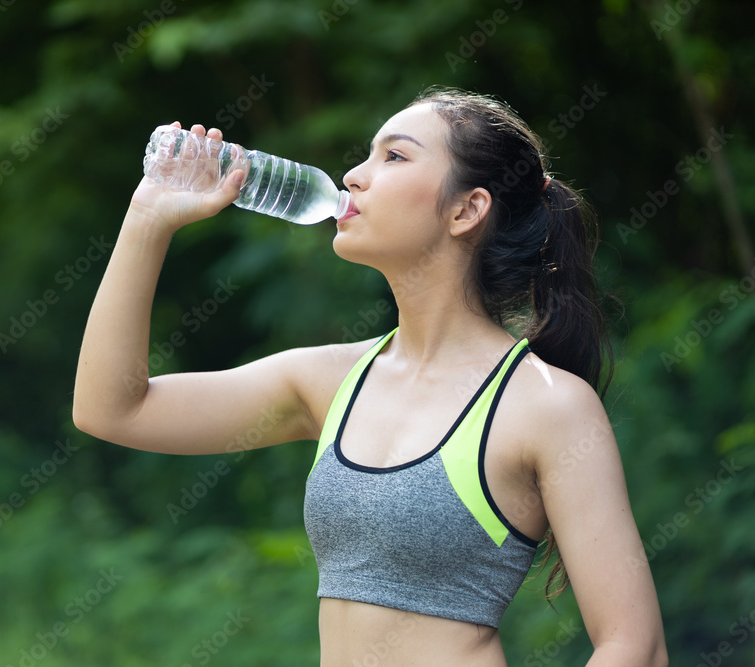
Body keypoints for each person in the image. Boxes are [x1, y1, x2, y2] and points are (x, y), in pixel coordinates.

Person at [72, 86, 668, 666]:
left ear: (467, 209)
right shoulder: (330, 381)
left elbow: (633, 645)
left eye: (395, 156)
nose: (354, 176)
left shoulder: (547, 405)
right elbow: (111, 409)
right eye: (366, 155)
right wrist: (147, 217)